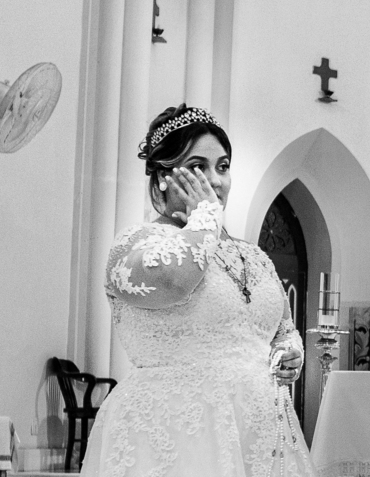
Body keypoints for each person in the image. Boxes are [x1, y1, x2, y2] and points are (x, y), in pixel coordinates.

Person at [81, 105, 315, 477]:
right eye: (197, 167)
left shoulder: (252, 256)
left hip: (259, 431)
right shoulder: (134, 243)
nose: (216, 181)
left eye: (222, 166)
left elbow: (281, 329)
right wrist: (205, 216)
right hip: (175, 429)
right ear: (161, 177)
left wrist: (290, 353)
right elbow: (176, 282)